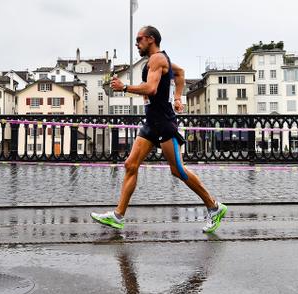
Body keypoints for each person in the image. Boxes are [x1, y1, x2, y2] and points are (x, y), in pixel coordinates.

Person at [91, 26, 227, 233]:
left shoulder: (157, 59)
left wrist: (125, 88)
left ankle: (214, 207)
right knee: (130, 165)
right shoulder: (158, 61)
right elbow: (180, 73)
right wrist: (179, 97)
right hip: (150, 123)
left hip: (163, 123)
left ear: (151, 39)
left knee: (178, 170)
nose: (137, 43)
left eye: (139, 39)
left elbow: (151, 88)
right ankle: (118, 216)